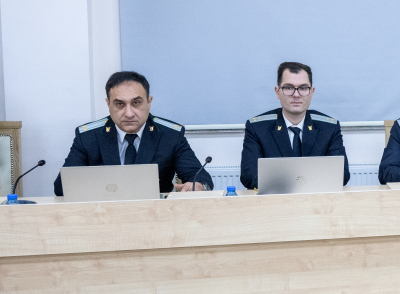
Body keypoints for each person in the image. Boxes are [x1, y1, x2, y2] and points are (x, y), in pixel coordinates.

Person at [53, 71, 212, 195]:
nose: (129, 113)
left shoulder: (169, 135)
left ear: (149, 103)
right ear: (108, 104)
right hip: (103, 214)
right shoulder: (89, 137)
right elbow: (61, 187)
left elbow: (202, 179)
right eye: (120, 104)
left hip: (155, 215)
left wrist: (198, 186)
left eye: (136, 103)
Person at [240, 62, 350, 189]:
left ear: (312, 92)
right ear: (277, 92)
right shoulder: (257, 128)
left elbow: (342, 174)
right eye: (288, 88)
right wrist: (301, 181)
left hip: (317, 202)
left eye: (303, 88)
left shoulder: (329, 128)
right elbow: (249, 175)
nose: (296, 94)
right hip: (274, 202)